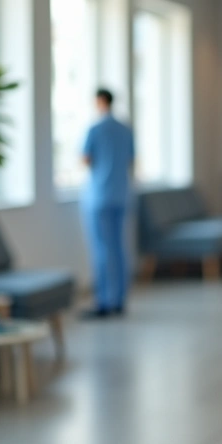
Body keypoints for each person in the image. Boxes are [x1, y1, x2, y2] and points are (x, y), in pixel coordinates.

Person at [81, 88, 135, 319]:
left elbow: (85, 159)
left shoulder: (95, 129)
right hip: (121, 195)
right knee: (119, 249)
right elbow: (131, 159)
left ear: (100, 102)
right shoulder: (125, 129)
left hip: (100, 196)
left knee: (102, 250)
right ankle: (119, 300)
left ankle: (104, 302)